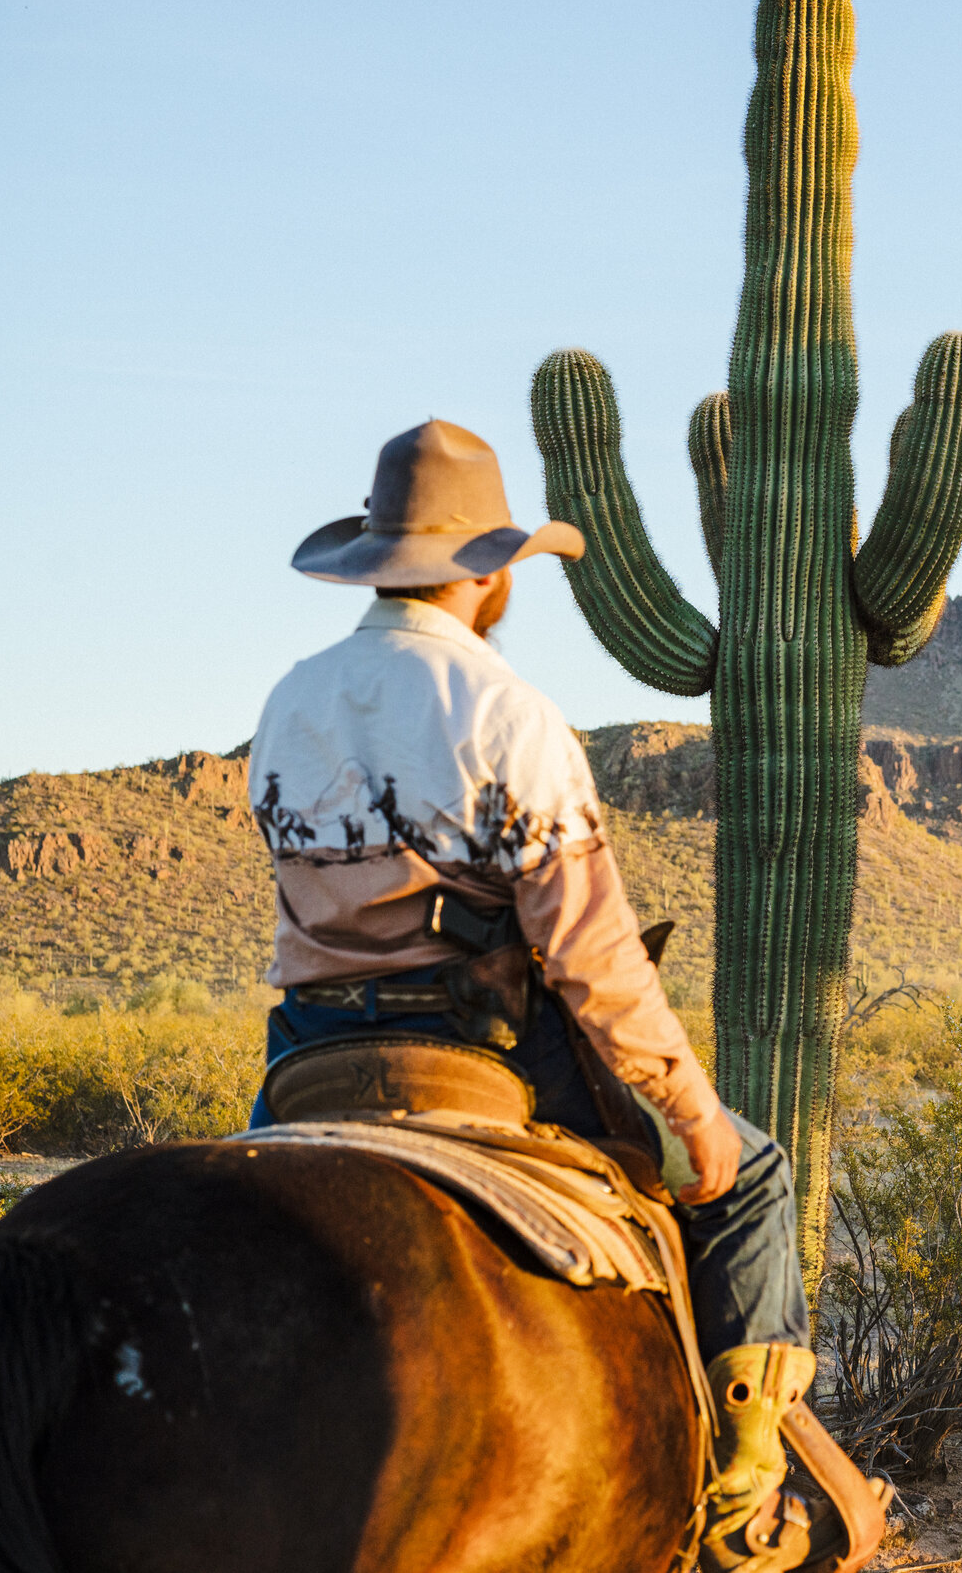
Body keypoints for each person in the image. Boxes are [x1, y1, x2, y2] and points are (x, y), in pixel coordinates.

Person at [248, 419, 868, 1573]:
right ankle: (742, 1498)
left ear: (377, 561)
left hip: (309, 1044)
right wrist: (682, 1104)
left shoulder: (292, 700)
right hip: (481, 1047)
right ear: (489, 570)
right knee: (755, 1178)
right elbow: (588, 951)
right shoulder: (505, 710)